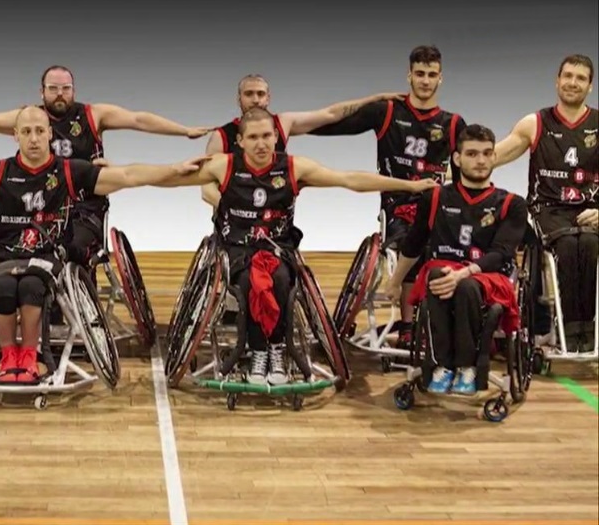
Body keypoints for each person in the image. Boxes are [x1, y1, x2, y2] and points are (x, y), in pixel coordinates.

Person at [0, 106, 210, 384]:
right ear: (15, 135)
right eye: (26, 131)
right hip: (6, 257)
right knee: (0, 289)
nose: (33, 138)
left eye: (39, 131)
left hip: (47, 258)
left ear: (49, 134)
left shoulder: (71, 171)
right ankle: (9, 355)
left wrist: (175, 168)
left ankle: (28, 355)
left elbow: (130, 176)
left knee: (30, 288)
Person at [153, 108, 438, 384]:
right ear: (239, 142)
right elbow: (166, 179)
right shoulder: (224, 166)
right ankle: (257, 351)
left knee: (280, 281)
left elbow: (349, 179)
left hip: (278, 248)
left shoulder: (293, 167)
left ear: (276, 137)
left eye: (267, 136)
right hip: (237, 250)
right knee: (248, 284)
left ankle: (275, 348)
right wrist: (157, 171)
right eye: (253, 137)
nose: (261, 143)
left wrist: (409, 186)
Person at [0, 64, 212, 271]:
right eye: (53, 88)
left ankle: (82, 309)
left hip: (84, 204)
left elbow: (138, 119)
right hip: (39, 205)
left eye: (66, 88)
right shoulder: (28, 117)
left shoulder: (93, 115)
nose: (60, 94)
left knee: (74, 248)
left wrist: (182, 131)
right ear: (42, 92)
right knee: (13, 245)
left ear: (74, 90)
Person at [305, 45, 469, 349]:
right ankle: (409, 325)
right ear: (409, 75)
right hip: (399, 208)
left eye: (431, 75)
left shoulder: (454, 124)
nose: (425, 80)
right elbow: (333, 123)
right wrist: (289, 130)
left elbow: (465, 179)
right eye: (419, 73)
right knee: (418, 238)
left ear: (440, 79)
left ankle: (459, 319)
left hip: (438, 206)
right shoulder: (388, 111)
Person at [385, 124, 528, 395]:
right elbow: (413, 244)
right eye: (472, 154)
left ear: (495, 157)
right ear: (457, 158)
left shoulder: (512, 203)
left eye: (487, 153)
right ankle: (442, 366)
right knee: (439, 275)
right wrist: (394, 281)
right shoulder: (435, 197)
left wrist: (465, 272)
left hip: (489, 278)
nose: (481, 160)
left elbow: (502, 253)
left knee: (465, 285)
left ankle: (467, 366)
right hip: (442, 273)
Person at [493, 54, 598, 352]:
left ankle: (585, 331)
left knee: (589, 245)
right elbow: (494, 157)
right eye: (568, 76)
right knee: (565, 246)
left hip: (591, 211)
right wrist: (450, 170)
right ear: (557, 80)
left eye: (580, 78)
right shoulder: (535, 123)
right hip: (547, 209)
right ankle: (562, 328)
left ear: (590, 86)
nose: (572, 83)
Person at [204, 73, 404, 156]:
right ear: (239, 99)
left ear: (268, 99)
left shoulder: (283, 123)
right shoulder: (220, 137)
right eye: (249, 94)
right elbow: (207, 189)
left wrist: (374, 98)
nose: (255, 99)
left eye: (260, 94)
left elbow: (330, 114)